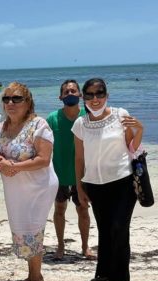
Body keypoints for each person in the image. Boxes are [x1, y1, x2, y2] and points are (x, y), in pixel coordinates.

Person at [72, 78, 143, 281]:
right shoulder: (81, 124)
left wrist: (140, 129)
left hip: (122, 182)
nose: (95, 99)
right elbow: (79, 158)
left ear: (107, 95)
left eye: (99, 94)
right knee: (104, 229)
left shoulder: (120, 115)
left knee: (119, 228)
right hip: (94, 184)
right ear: (84, 98)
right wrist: (80, 187)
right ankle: (103, 273)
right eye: (90, 95)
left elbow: (133, 146)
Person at [0, 82, 58, 281]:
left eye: (16, 99)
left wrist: (14, 166)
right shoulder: (1, 127)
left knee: (33, 231)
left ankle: (37, 279)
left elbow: (44, 159)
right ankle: (32, 275)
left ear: (28, 102)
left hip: (39, 187)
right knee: (22, 230)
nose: (10, 103)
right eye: (6, 99)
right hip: (15, 189)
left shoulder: (39, 125)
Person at [46, 80, 95, 260]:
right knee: (59, 210)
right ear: (60, 97)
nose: (70, 94)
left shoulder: (88, 117)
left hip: (82, 176)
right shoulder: (52, 118)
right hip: (59, 175)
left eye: (73, 91)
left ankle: (85, 247)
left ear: (80, 95)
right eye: (66, 92)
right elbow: (43, 145)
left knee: (83, 210)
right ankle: (60, 247)